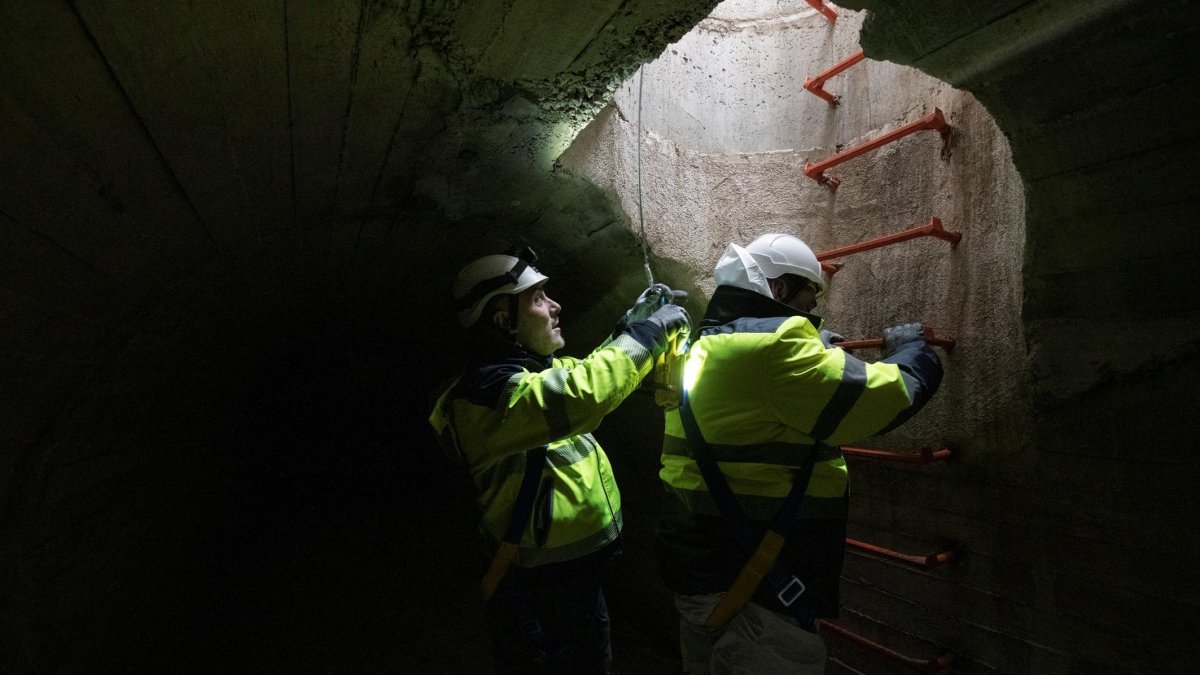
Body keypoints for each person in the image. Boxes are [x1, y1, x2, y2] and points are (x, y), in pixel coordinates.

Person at [654, 233, 944, 674]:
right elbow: (877, 400)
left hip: (702, 569)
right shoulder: (776, 347)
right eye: (810, 298)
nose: (811, 313)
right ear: (781, 290)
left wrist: (816, 352)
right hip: (758, 585)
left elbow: (755, 400)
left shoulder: (703, 345)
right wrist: (915, 355)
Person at [428, 246, 690, 674]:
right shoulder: (484, 396)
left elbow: (585, 375)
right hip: (538, 587)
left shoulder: (526, 375)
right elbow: (582, 395)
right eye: (537, 298)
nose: (555, 306)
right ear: (501, 320)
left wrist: (630, 326)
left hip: (570, 576)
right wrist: (646, 335)